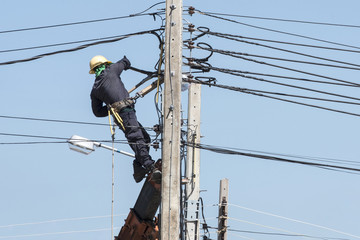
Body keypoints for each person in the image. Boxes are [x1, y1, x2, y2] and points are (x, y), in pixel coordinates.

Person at [89, 55, 160, 183]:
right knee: (137, 137)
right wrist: (124, 66)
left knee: (145, 138)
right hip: (125, 113)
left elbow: (97, 112)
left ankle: (138, 168)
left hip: (121, 115)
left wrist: (111, 107)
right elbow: (125, 61)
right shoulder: (111, 70)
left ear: (94, 71)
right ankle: (149, 165)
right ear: (105, 65)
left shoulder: (95, 89)